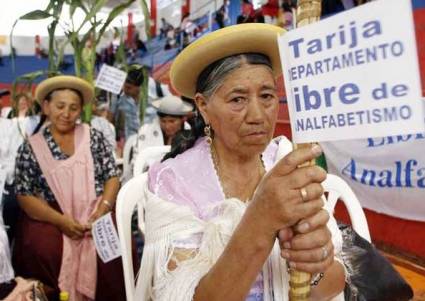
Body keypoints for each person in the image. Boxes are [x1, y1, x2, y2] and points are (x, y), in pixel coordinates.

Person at [134, 23, 345, 300]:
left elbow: (334, 283)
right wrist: (261, 220)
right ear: (203, 106)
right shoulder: (173, 180)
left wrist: (313, 264)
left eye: (267, 96)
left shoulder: (287, 162)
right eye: (237, 99)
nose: (257, 114)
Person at [13, 75, 128, 300]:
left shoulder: (93, 137)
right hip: (51, 214)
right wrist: (61, 221)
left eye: (73, 108)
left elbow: (112, 177)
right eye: (60, 106)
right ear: (46, 107)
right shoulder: (31, 147)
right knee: (44, 248)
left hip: (95, 209)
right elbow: (25, 195)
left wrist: (103, 209)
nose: (66, 114)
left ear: (81, 110)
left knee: (116, 249)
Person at [109, 66, 144, 142]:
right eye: (124, 86)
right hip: (129, 140)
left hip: (149, 138)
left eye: (128, 88)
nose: (125, 90)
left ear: (138, 88)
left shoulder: (153, 93)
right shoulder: (118, 95)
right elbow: (110, 116)